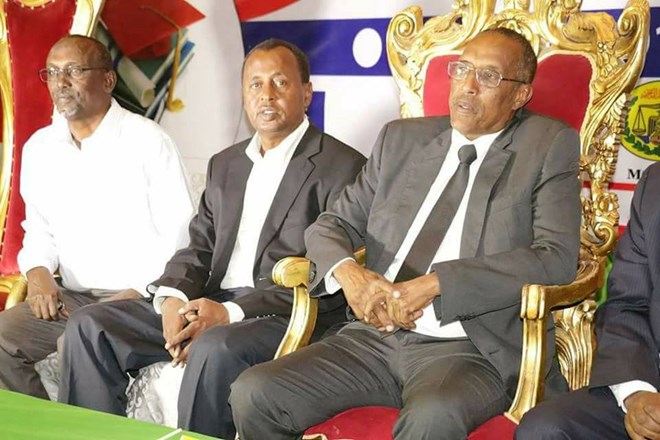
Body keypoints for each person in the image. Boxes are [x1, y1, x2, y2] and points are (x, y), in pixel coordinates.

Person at [229, 28, 582, 440]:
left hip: (467, 347)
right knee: (255, 392)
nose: (467, 86)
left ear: (520, 95)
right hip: (372, 338)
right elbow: (330, 225)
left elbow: (555, 257)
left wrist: (436, 285)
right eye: (462, 69)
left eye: (488, 76)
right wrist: (352, 276)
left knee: (431, 418)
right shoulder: (401, 140)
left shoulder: (547, 145)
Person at [58, 39, 366, 439]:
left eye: (279, 82)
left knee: (214, 345)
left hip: (283, 312)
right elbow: (199, 246)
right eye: (255, 84)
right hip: (211, 301)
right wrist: (172, 299)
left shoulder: (342, 166)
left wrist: (228, 314)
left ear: (306, 93)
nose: (266, 95)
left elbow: (323, 273)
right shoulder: (226, 164)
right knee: (90, 326)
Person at [0, 35, 193, 399]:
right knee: (2, 338)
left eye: (74, 70)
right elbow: (38, 231)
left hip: (143, 300)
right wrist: (38, 274)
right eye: (52, 72)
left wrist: (139, 289)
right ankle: (43, 424)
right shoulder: (40, 148)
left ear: (108, 80)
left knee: (80, 335)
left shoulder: (148, 142)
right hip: (72, 298)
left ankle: (79, 426)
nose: (60, 82)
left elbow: (181, 237)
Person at [516, 162, 660, 440]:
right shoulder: (655, 183)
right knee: (544, 430)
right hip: (652, 379)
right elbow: (629, 304)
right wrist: (636, 393)